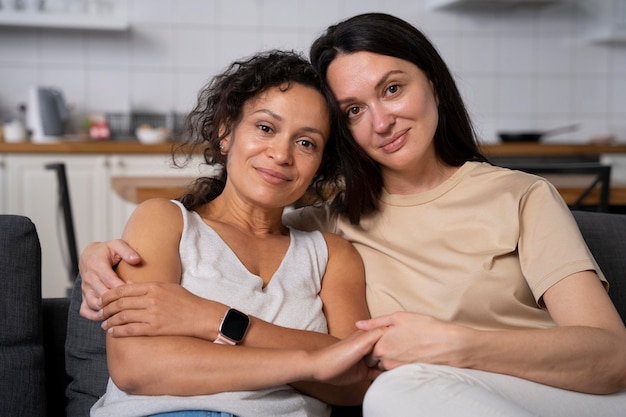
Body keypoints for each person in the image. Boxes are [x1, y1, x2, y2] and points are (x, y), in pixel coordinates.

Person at [80, 13, 626, 417]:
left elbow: (611, 355)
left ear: (431, 82)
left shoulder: (521, 196)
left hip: (556, 397)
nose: (382, 121)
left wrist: (454, 343)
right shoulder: (331, 226)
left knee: (397, 390)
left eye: (393, 89)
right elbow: (240, 234)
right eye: (355, 111)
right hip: (429, 400)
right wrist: (99, 255)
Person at [87, 49, 383, 417]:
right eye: (265, 128)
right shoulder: (164, 221)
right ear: (226, 131)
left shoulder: (332, 255)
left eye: (306, 142)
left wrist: (210, 319)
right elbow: (136, 366)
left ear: (321, 164)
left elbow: (354, 379)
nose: (281, 154)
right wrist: (310, 363)